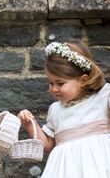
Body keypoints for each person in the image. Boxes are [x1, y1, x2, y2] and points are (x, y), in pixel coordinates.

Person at [18, 40, 110, 178]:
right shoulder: (55, 110)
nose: (53, 89)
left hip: (98, 164)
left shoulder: (102, 98)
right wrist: (30, 124)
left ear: (83, 80)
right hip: (63, 170)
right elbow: (48, 145)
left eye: (60, 83)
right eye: (50, 83)